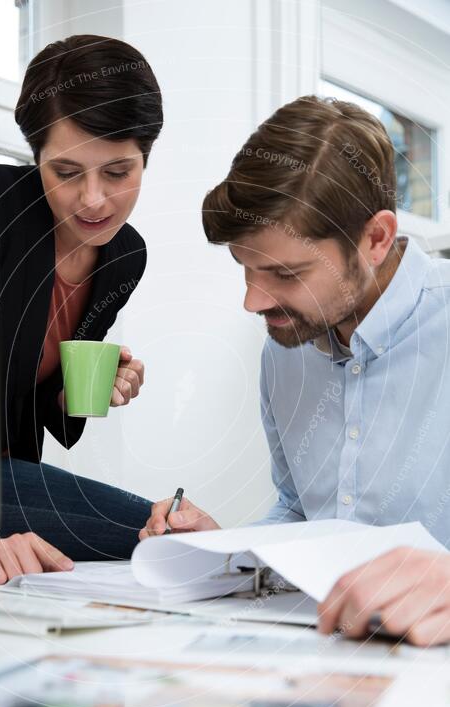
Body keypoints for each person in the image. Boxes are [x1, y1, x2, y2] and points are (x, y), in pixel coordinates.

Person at [141, 95, 450, 646]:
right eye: (246, 269)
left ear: (375, 239)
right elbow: (299, 509)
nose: (253, 302)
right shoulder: (286, 348)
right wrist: (230, 550)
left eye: (285, 273)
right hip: (320, 661)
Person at [0, 34, 163, 583]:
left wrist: (99, 386)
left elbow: (46, 403)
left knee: (159, 537)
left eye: (118, 173)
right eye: (67, 172)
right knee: (153, 536)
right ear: (34, 158)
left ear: (147, 157)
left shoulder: (125, 256)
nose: (94, 200)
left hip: (9, 477)